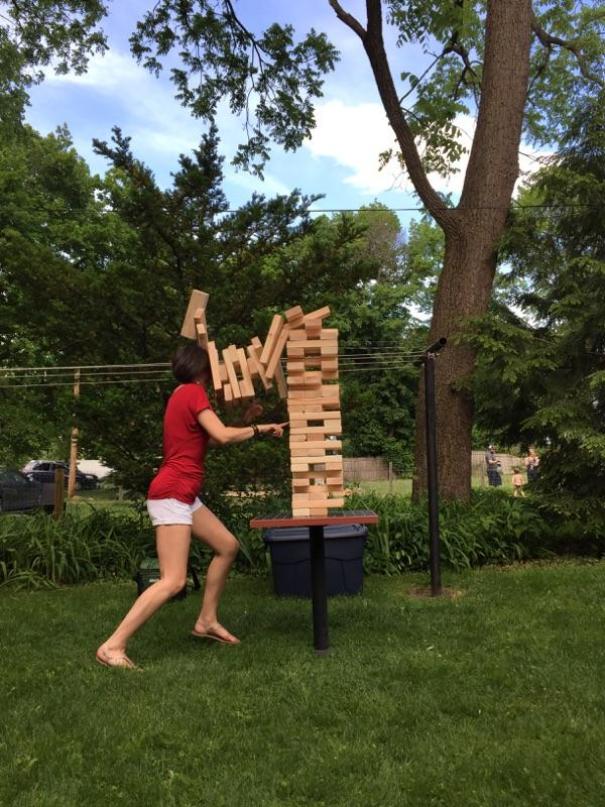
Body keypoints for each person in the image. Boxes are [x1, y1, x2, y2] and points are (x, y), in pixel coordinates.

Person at [96, 343, 288, 669]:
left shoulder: (182, 395)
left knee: (227, 546)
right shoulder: (193, 393)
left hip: (184, 495)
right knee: (173, 581)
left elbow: (210, 439)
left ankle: (206, 621)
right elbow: (224, 437)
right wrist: (259, 428)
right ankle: (113, 645)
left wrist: (244, 420)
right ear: (204, 368)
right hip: (172, 493)